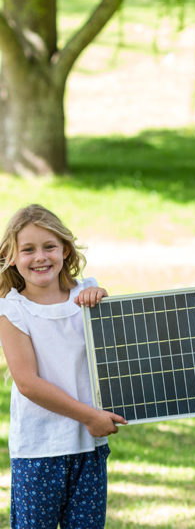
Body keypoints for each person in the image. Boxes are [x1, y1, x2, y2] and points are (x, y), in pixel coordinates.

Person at [0, 204, 127, 528]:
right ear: (12, 256)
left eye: (49, 247)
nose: (40, 257)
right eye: (28, 249)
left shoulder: (87, 295)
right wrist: (90, 417)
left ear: (65, 249)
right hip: (39, 450)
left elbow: (116, 352)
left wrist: (103, 300)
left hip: (89, 447)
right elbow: (27, 384)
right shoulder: (12, 309)